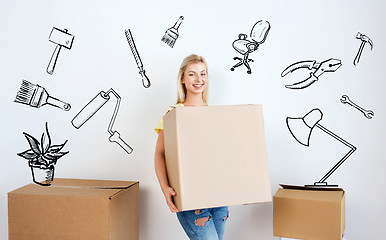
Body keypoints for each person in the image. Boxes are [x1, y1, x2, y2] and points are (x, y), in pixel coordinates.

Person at [154, 54, 229, 240]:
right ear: (182, 78)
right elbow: (160, 154)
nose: (199, 79)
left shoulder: (215, 115)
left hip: (219, 197)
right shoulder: (173, 114)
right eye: (192, 74)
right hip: (191, 198)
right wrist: (165, 188)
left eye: (203, 74)